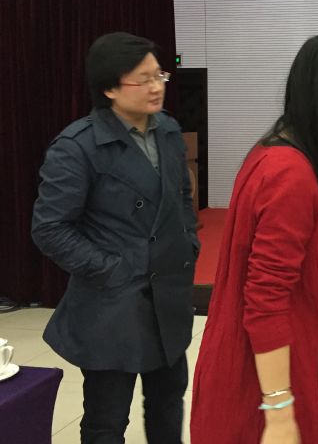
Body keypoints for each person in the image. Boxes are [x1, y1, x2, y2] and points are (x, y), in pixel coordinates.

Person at [190, 34, 318, 444]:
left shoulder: (278, 153)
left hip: (292, 358)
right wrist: (278, 411)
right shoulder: (290, 175)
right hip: (277, 377)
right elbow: (265, 300)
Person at [31, 32, 199, 443]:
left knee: (168, 403)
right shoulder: (78, 146)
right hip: (113, 304)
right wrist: (111, 269)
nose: (156, 86)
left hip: (168, 297)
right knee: (107, 419)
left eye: (159, 75)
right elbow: (50, 228)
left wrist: (187, 243)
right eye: (143, 79)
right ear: (109, 88)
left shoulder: (168, 130)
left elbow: (181, 195)